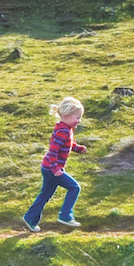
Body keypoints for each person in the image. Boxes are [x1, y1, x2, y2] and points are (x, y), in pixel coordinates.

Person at [22, 96, 86, 232]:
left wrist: (78, 148)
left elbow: (67, 145)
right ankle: (65, 215)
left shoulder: (64, 129)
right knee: (74, 187)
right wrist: (55, 168)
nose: (79, 121)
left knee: (45, 194)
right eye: (78, 117)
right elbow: (53, 151)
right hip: (52, 169)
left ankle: (30, 218)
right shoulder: (63, 131)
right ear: (67, 116)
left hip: (47, 168)